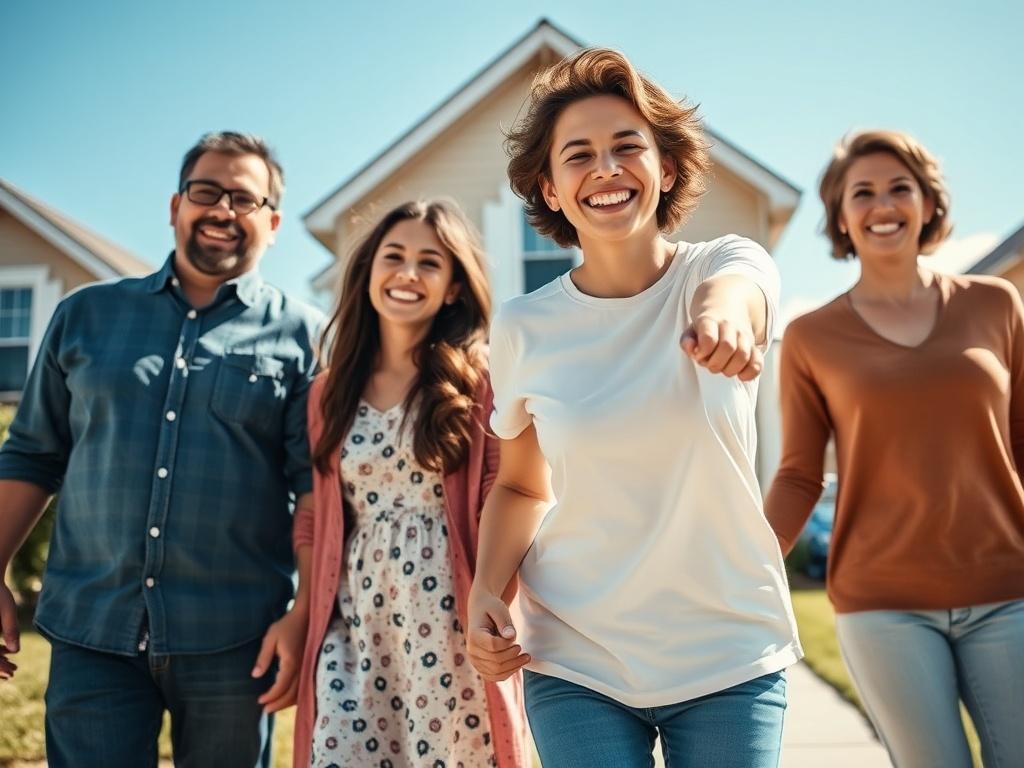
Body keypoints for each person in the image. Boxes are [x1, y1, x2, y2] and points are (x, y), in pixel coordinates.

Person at [466, 48, 801, 768]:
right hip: (575, 656)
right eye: (578, 155)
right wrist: (485, 591)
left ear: (666, 168)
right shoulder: (524, 326)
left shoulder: (721, 267)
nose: (606, 169)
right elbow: (522, 486)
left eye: (627, 147)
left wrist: (723, 320)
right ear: (550, 190)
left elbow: (739, 290)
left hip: (730, 651)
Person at [0, 131, 322, 767]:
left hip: (237, 641)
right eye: (206, 192)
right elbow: (32, 453)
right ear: (176, 206)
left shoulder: (306, 336)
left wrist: (305, 611)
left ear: (274, 223)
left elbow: (314, 485)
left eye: (244, 198)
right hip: (92, 630)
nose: (223, 210)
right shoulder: (84, 315)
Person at [765, 129, 1024, 767]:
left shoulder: (996, 305)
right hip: (883, 603)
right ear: (842, 217)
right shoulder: (810, 337)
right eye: (864, 193)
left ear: (929, 204)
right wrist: (744, 570)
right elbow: (799, 475)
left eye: (899, 188)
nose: (883, 205)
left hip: (1007, 588)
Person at [292, 200, 529, 768]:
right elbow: (315, 515)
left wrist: (494, 598)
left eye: (430, 263)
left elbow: (508, 489)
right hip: (353, 626)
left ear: (452, 288)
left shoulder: (481, 378)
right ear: (369, 269)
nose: (407, 273)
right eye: (393, 256)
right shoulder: (328, 392)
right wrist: (303, 609)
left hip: (448, 625)